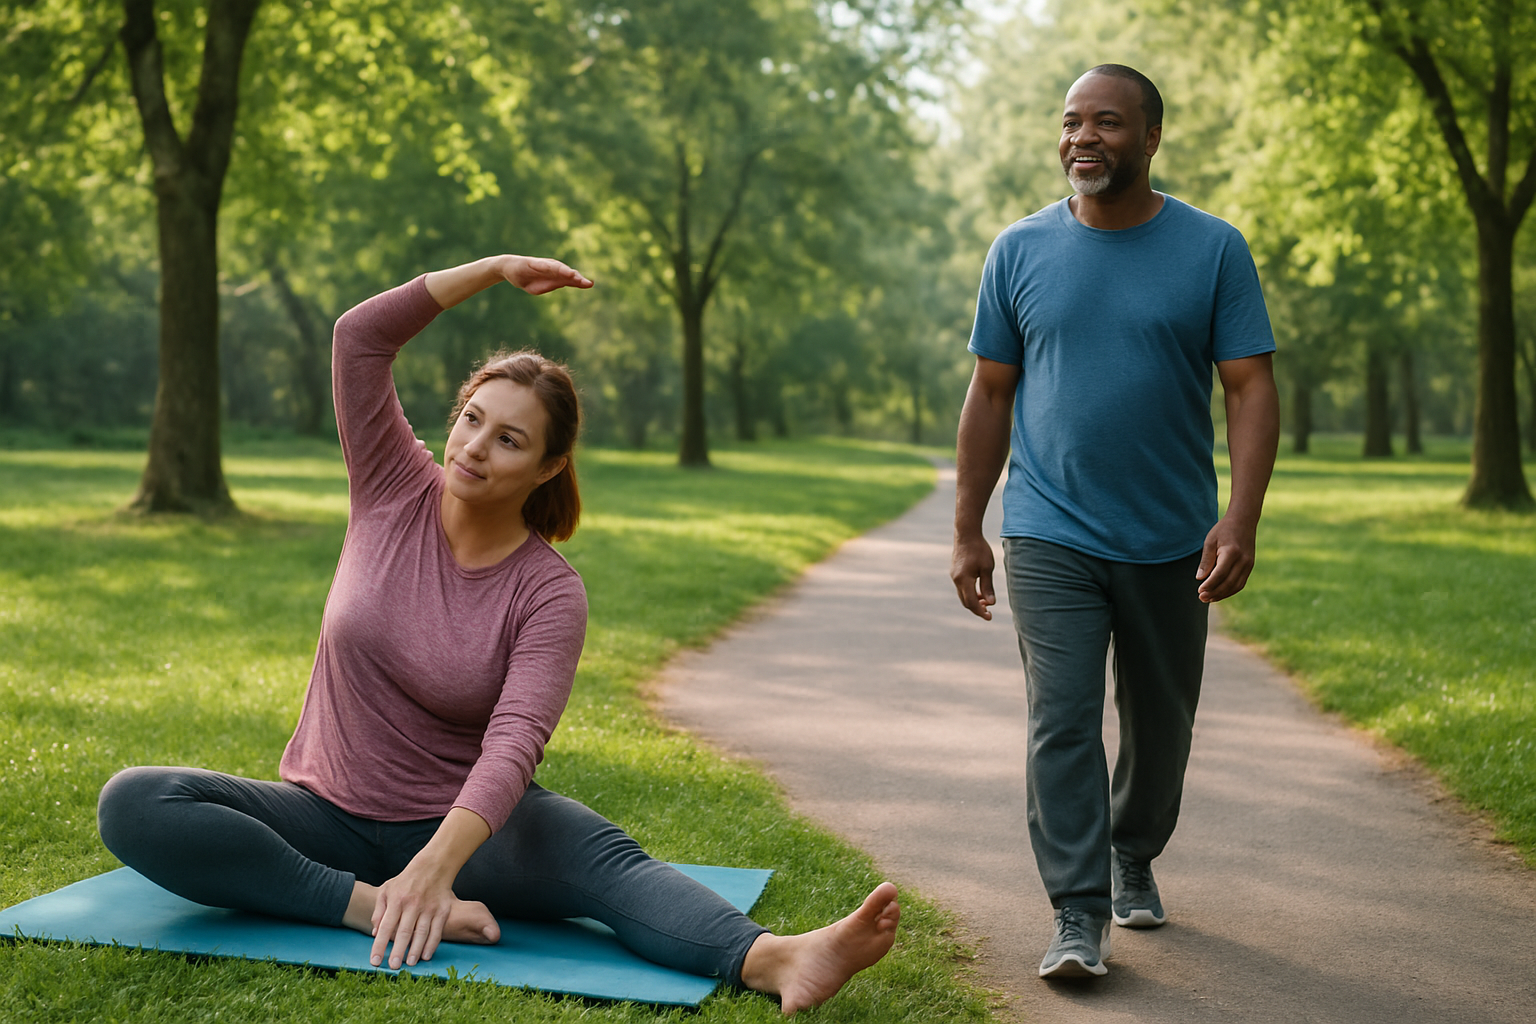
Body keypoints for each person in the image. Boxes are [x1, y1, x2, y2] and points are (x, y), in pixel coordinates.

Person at [98, 254, 899, 1015]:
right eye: (473, 420)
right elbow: (358, 338)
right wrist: (490, 272)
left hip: (469, 831)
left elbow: (513, 745)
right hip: (326, 816)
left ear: (549, 467)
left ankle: (779, 958)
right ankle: (363, 908)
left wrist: (435, 868)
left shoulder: (550, 592)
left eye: (509, 439)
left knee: (603, 860)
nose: (476, 448)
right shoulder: (389, 488)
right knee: (136, 801)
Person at [949, 65, 1280, 979]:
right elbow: (989, 391)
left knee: (1162, 724)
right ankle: (1076, 913)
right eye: (1070, 123)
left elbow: (1250, 388)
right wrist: (969, 525)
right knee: (1061, 717)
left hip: (1172, 533)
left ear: (1150, 138)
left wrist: (1239, 518)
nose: (1083, 138)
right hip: (1049, 528)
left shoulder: (1212, 249)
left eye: (1107, 122)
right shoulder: (1017, 251)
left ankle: (1133, 850)